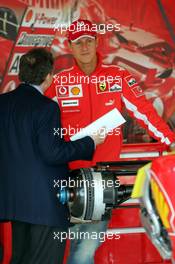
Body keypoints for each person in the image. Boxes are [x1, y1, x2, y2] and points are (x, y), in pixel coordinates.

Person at [45, 19, 175, 264]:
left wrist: (170, 141)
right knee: (63, 246)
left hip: (102, 178)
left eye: (88, 41)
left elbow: (144, 111)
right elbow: (36, 121)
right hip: (65, 175)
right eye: (78, 42)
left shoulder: (118, 77)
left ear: (96, 42)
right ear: (70, 47)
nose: (84, 47)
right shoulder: (60, 82)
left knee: (86, 249)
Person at [0, 47, 106, 264]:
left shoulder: (2, 103)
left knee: (20, 258)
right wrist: (89, 142)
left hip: (13, 201)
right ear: (49, 77)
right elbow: (52, 153)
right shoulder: (46, 107)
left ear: (21, 73)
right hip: (44, 204)